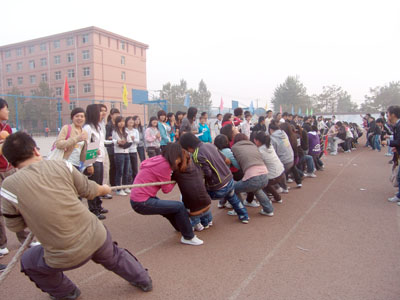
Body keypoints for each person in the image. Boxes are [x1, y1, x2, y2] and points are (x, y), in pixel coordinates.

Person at [0, 132, 152, 300]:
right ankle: (142, 279)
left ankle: (67, 292)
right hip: (96, 236)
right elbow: (90, 190)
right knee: (113, 255)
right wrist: (104, 189)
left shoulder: (8, 187)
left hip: (61, 255)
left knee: (29, 262)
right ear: (36, 151)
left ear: (11, 162)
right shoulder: (61, 166)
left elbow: (15, 226)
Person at [130, 143, 204, 246]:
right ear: (174, 156)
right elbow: (166, 189)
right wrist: (176, 177)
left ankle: (181, 228)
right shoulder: (164, 165)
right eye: (179, 157)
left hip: (140, 197)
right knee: (179, 206)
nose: (179, 160)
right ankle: (189, 237)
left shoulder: (159, 158)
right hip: (141, 202)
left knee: (170, 210)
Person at [179, 133, 249, 223]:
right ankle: (244, 216)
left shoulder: (196, 155)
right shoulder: (210, 145)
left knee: (200, 198)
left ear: (188, 148)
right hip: (229, 179)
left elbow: (207, 174)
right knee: (233, 198)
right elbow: (226, 160)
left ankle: (206, 221)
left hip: (218, 188)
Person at [0, 98, 38, 257]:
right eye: (6, 108)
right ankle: (1, 243)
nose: (8, 111)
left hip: (9, 168)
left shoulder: (7, 127)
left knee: (18, 202)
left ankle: (25, 238)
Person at [231, 133, 274, 216]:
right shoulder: (254, 146)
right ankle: (268, 210)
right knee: (256, 188)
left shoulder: (234, 147)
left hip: (253, 177)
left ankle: (239, 209)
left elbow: (236, 164)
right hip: (265, 175)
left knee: (233, 189)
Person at [172, 149, 212, 232]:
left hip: (194, 211)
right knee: (198, 197)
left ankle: (196, 223)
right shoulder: (196, 166)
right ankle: (207, 221)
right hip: (207, 203)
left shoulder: (177, 172)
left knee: (183, 198)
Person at [83, 104, 107, 220]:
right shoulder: (88, 128)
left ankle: (98, 206)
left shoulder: (98, 126)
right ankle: (93, 210)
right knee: (93, 185)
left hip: (100, 159)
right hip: (93, 160)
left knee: (99, 184)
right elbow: (88, 145)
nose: (102, 114)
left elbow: (100, 143)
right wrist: (89, 164)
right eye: (99, 112)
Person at [254, 131, 286, 203]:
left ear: (258, 141)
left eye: (255, 140)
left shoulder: (260, 151)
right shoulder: (269, 145)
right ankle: (277, 197)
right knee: (266, 180)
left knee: (259, 182)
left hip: (274, 176)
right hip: (281, 172)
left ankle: (266, 200)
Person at [268, 121, 294, 192]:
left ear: (270, 129)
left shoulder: (272, 138)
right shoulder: (284, 133)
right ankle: (284, 187)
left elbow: (272, 152)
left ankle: (277, 187)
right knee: (281, 170)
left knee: (271, 167)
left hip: (284, 162)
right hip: (291, 159)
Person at [112, 116, 132, 196]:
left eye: (123, 121)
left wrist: (125, 143)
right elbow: (115, 142)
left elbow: (130, 141)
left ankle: (125, 186)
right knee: (120, 171)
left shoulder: (126, 131)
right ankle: (118, 188)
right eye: (120, 122)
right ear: (117, 123)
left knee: (126, 171)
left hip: (126, 152)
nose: (122, 123)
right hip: (119, 153)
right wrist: (120, 142)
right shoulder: (115, 131)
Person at [384, 106, 400, 203]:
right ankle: (398, 195)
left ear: (393, 114)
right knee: (398, 175)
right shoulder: (397, 125)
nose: (387, 115)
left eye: (388, 113)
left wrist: (389, 143)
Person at [280, 122, 303, 187]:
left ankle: (285, 184)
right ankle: (298, 181)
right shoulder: (294, 136)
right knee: (293, 168)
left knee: (285, 168)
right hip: (295, 156)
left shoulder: (286, 138)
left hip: (291, 157)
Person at [99, 104, 112, 200]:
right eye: (101, 110)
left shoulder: (102, 123)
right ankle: (97, 194)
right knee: (97, 174)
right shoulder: (90, 126)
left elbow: (102, 140)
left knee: (105, 171)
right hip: (96, 153)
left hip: (103, 150)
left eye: (105, 110)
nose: (103, 113)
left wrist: (114, 141)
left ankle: (103, 191)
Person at [105, 108, 120, 186]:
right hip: (111, 148)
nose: (117, 115)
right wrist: (115, 138)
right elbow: (107, 137)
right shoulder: (108, 125)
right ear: (111, 115)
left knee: (117, 166)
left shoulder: (118, 124)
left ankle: (116, 182)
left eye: (118, 114)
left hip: (118, 147)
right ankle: (112, 183)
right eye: (115, 114)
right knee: (112, 166)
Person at [125, 116, 139, 184]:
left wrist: (134, 139)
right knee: (128, 169)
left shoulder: (135, 130)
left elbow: (138, 141)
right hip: (127, 151)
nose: (131, 122)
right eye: (129, 120)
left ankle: (135, 182)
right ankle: (129, 183)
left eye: (132, 120)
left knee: (135, 168)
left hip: (134, 150)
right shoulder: (124, 130)